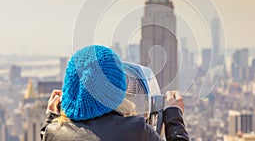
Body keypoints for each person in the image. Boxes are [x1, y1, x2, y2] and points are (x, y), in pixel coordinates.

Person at [40, 45, 189, 141]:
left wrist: (51, 117)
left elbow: (48, 134)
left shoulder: (53, 132)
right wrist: (174, 115)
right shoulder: (135, 130)